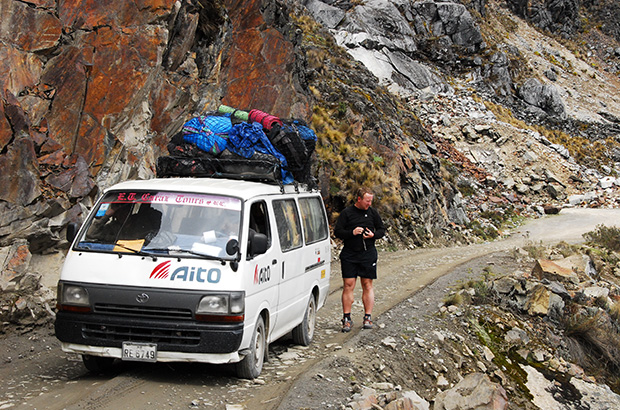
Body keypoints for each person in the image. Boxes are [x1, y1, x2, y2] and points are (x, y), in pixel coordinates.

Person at [334, 186, 385, 332]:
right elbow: (338, 232)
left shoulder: (373, 213)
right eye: (367, 201)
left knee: (367, 284)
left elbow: (381, 230)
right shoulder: (347, 213)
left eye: (371, 201)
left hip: (368, 253)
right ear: (359, 199)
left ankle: (367, 317)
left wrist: (373, 235)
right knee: (349, 284)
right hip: (350, 253)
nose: (369, 204)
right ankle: (347, 318)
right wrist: (352, 232)